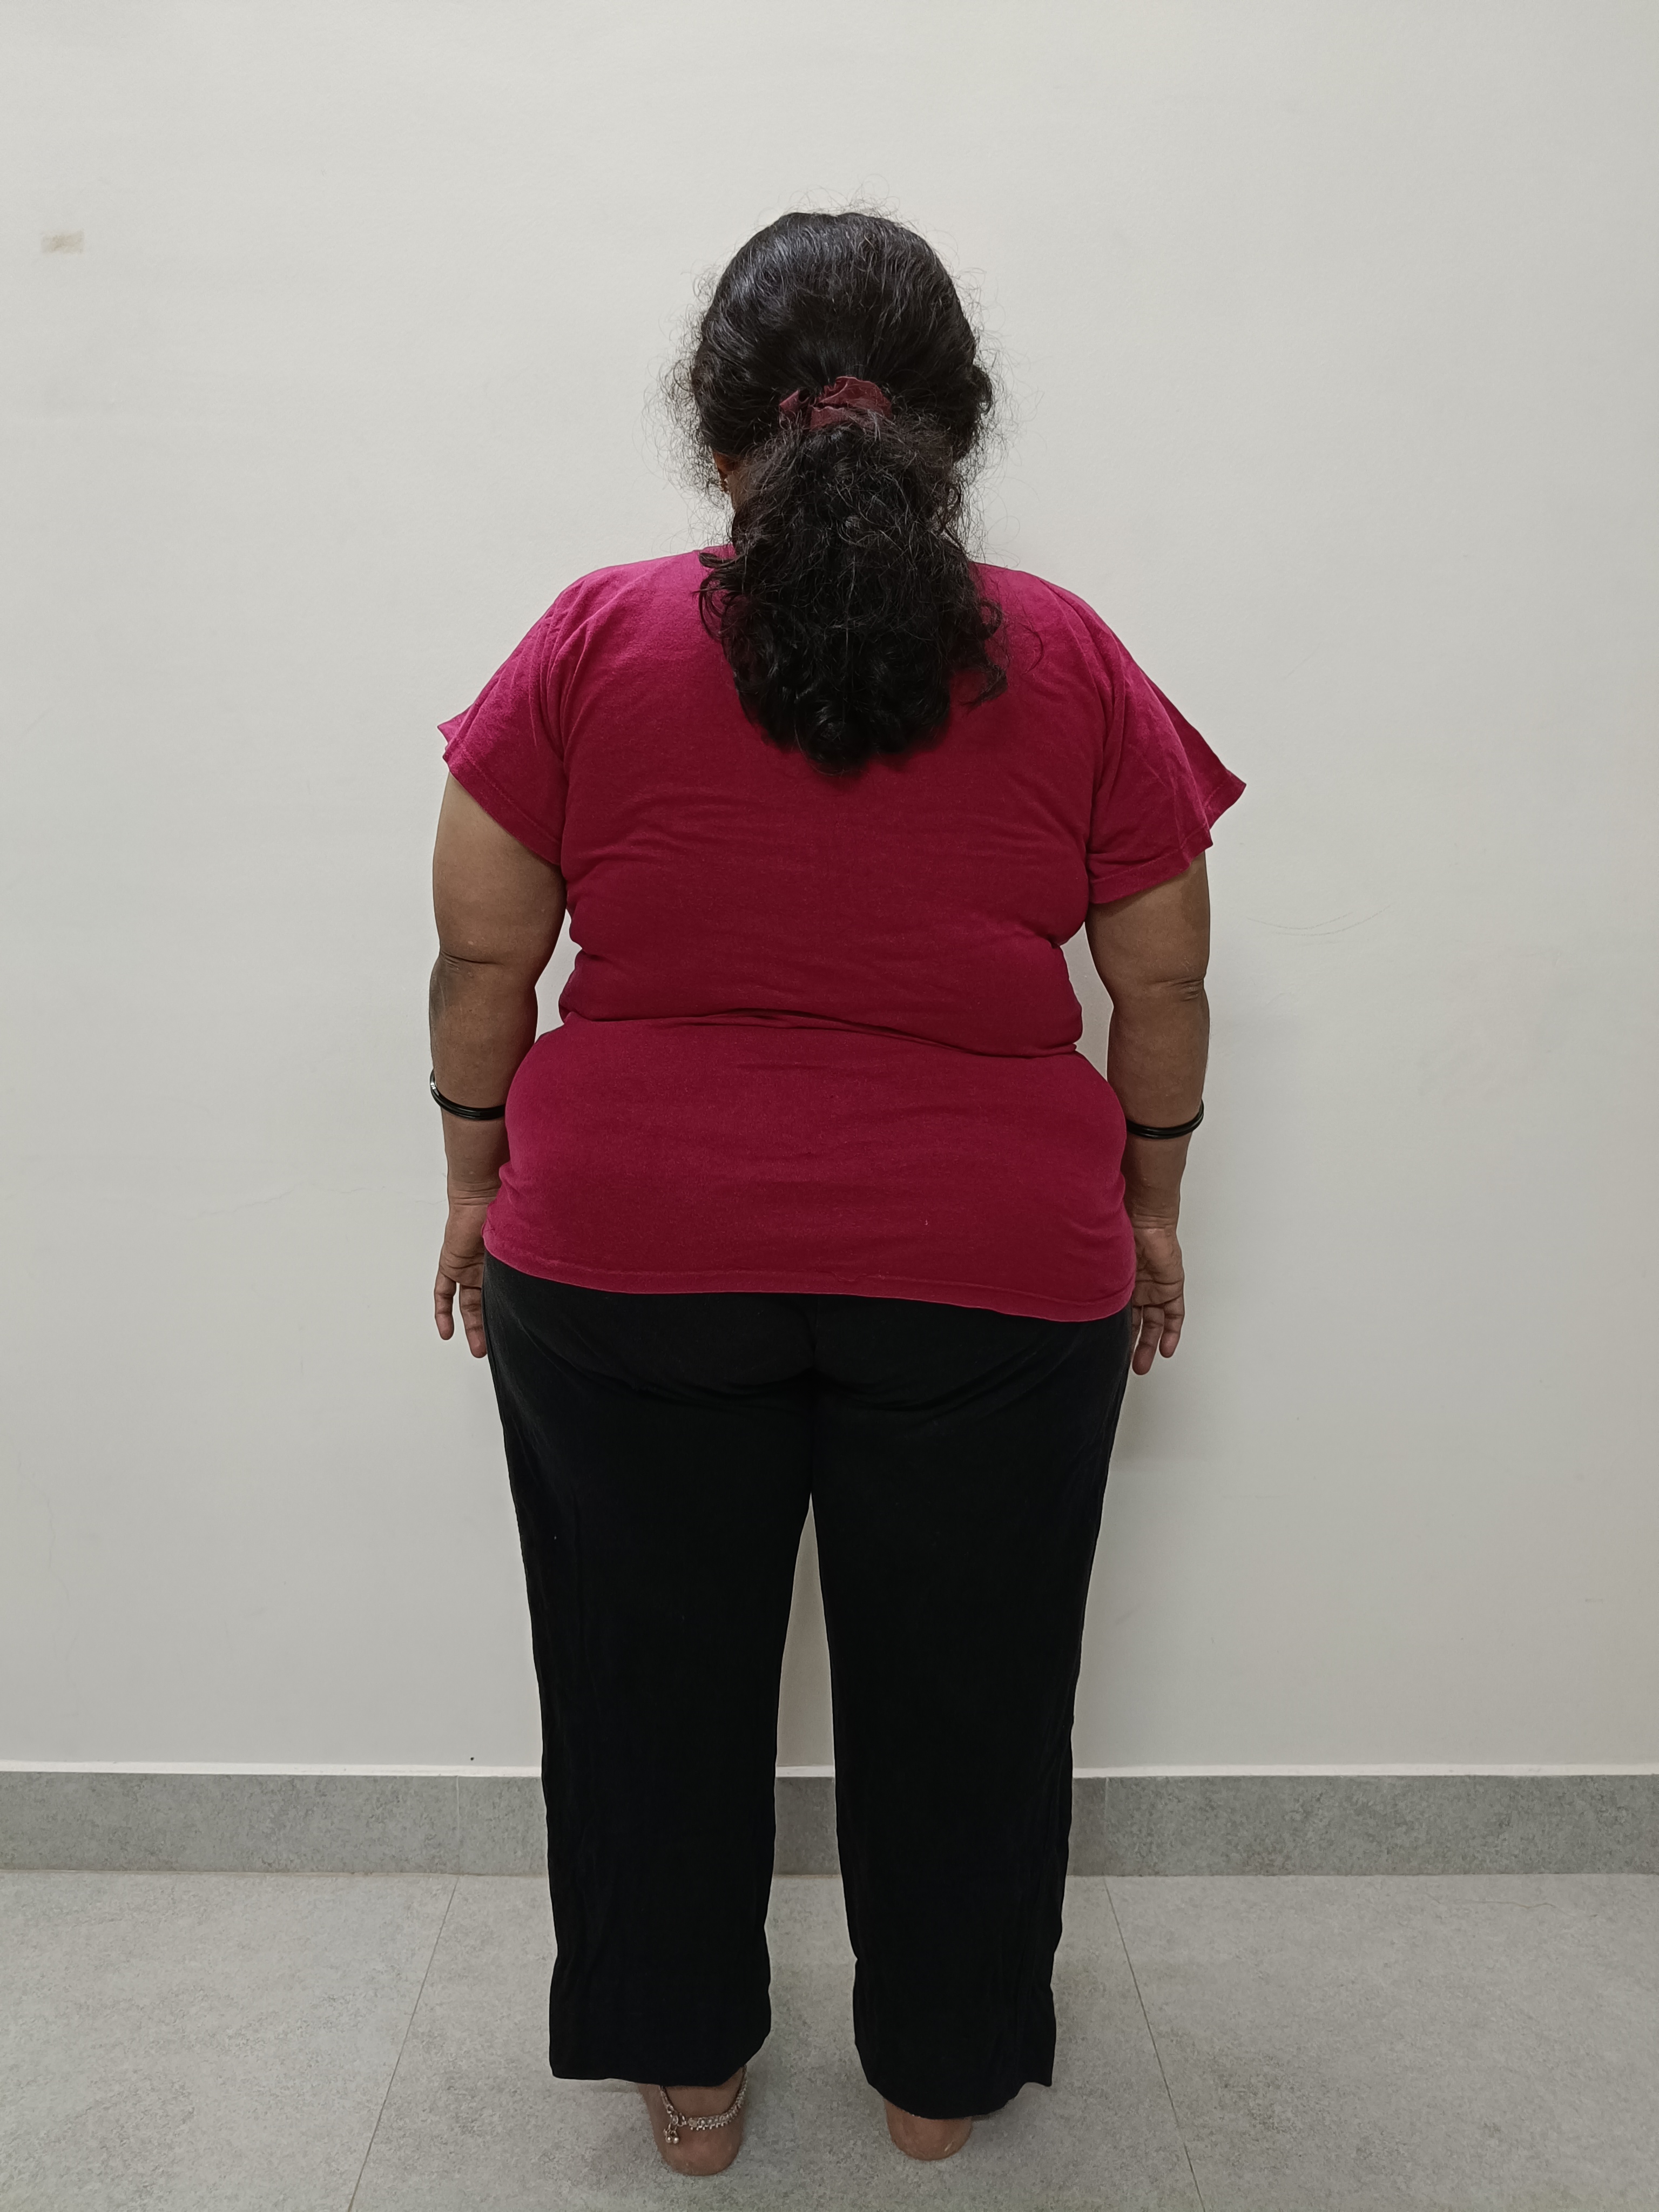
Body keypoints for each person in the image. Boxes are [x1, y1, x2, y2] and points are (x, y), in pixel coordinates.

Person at [428, 209, 1242, 2177]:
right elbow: (1160, 984)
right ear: (953, 427)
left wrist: (471, 1170)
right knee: (975, 1685)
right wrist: (1150, 1209)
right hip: (992, 1271)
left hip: (625, 1256)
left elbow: (480, 955)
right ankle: (940, 2081)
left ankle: (690, 2079)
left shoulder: (595, 636)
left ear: (720, 430)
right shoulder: (1067, 657)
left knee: (642, 1675)